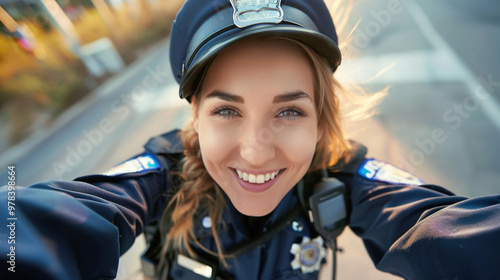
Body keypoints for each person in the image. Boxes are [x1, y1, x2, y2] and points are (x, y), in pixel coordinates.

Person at [1, 0, 500, 279]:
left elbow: (438, 228)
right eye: (226, 110)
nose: (257, 150)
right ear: (195, 115)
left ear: (320, 118)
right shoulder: (162, 173)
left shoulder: (343, 174)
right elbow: (48, 223)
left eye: (289, 111)